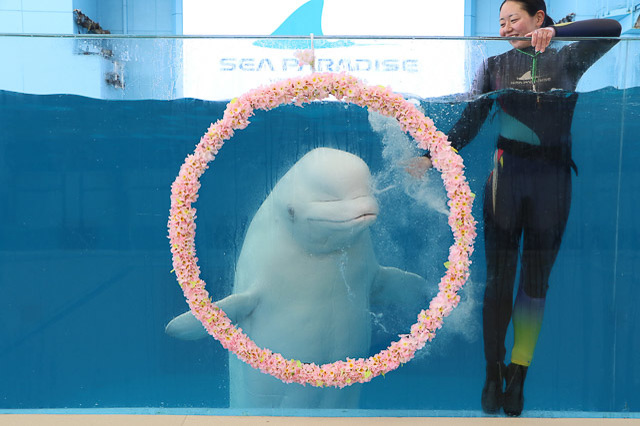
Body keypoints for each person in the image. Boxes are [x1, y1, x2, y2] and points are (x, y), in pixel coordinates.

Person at [407, 0, 621, 417]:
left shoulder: (569, 58)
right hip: (506, 180)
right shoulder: (493, 66)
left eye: (514, 19)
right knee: (499, 281)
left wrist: (558, 34)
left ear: (538, 18)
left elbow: (612, 27)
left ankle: (518, 374)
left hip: (553, 183)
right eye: (500, 21)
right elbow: (470, 120)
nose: (505, 28)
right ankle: (492, 371)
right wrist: (431, 155)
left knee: (536, 282)